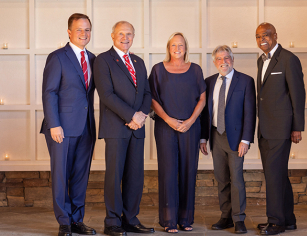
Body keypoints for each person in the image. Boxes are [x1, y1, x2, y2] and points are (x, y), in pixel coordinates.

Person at [93, 21, 153, 236]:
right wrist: (131, 116)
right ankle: (112, 222)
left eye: (129, 34)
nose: (125, 37)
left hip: (137, 128)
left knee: (135, 176)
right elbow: (106, 94)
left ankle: (130, 219)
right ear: (112, 35)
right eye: (121, 33)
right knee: (114, 175)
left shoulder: (138, 61)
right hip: (116, 127)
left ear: (133, 36)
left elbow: (147, 92)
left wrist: (141, 116)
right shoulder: (103, 60)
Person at [41, 13, 97, 236]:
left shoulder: (93, 58)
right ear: (69, 32)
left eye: (87, 30)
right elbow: (49, 92)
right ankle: (64, 222)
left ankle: (77, 220)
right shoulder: (57, 57)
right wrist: (54, 124)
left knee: (81, 177)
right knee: (62, 175)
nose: (84, 34)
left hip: (86, 127)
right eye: (79, 30)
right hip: (61, 128)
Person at [149, 32, 206, 233]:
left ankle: (185, 219)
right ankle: (168, 220)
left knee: (189, 171)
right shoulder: (157, 70)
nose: (177, 48)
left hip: (190, 127)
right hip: (166, 127)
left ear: (186, 47)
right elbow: (152, 99)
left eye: (181, 45)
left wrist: (190, 121)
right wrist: (168, 119)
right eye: (174, 45)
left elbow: (202, 99)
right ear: (168, 47)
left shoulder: (196, 70)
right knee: (168, 172)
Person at [255, 22, 305, 235]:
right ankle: (288, 219)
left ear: (275, 35)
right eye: (258, 36)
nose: (262, 39)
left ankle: (276, 222)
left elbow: (298, 95)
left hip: (281, 128)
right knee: (277, 175)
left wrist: (297, 127)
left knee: (274, 176)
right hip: (265, 128)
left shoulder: (288, 59)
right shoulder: (261, 61)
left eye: (266, 35)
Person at [200, 45, 256, 234]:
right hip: (216, 136)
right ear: (214, 62)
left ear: (232, 59)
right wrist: (203, 138)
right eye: (219, 59)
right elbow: (206, 114)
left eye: (227, 58)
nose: (223, 62)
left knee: (237, 179)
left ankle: (239, 219)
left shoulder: (246, 81)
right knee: (222, 179)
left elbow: (250, 113)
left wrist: (246, 140)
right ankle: (226, 217)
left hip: (236, 139)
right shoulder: (208, 82)